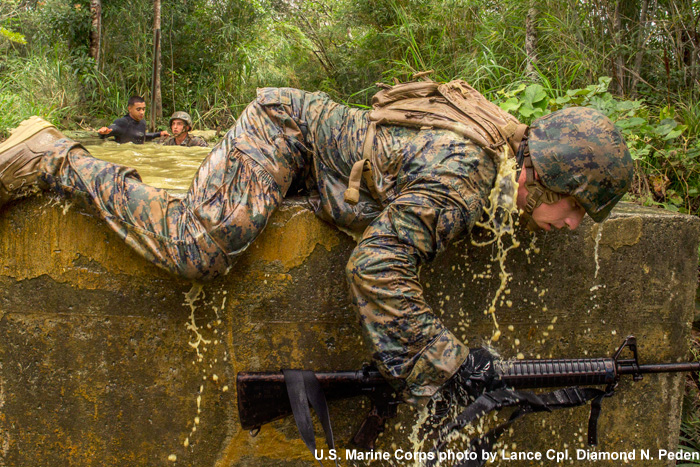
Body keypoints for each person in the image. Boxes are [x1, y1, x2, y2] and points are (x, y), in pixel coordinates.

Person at [0, 80, 632, 406]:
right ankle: (56, 158)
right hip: (282, 131)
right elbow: (376, 266)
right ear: (540, 175)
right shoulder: (465, 180)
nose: (572, 224)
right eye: (574, 207)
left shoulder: (498, 154)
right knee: (199, 249)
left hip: (310, 155)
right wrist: (452, 364)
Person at [97, 96, 168, 144]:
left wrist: (159, 134)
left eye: (143, 109)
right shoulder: (122, 122)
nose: (142, 112)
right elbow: (112, 129)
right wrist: (104, 132)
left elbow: (141, 136)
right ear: (129, 109)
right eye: (138, 109)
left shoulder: (142, 123)